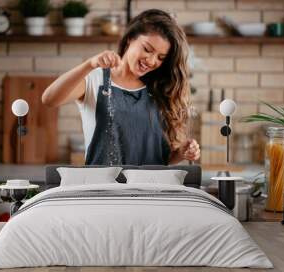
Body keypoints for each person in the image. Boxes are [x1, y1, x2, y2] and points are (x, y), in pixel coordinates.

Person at [42, 9, 200, 165]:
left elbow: (160, 158)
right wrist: (89, 64)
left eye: (160, 57)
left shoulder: (161, 88)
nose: (152, 61)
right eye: (147, 49)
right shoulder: (95, 79)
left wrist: (181, 154)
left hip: (151, 187)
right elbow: (49, 99)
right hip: (104, 187)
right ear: (130, 38)